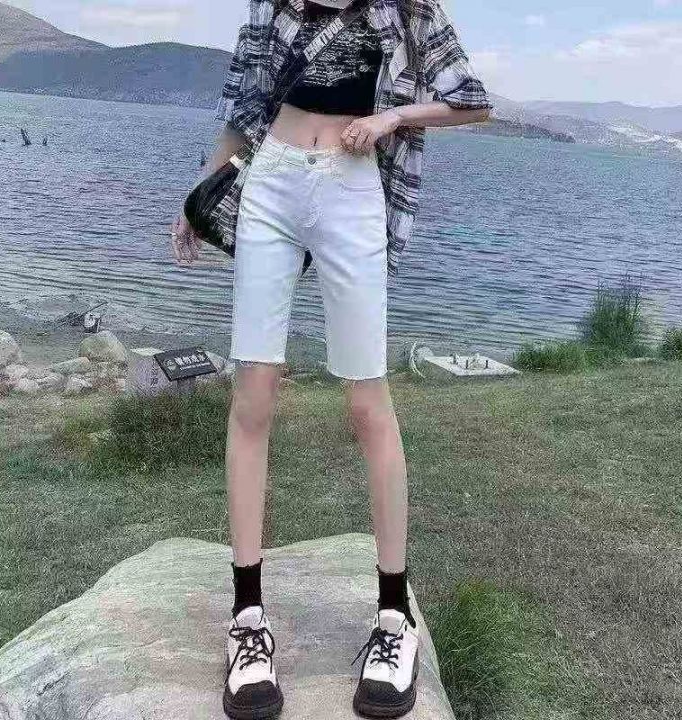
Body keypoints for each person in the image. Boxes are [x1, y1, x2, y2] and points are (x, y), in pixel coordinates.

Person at [171, 0, 491, 715]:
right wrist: (199, 194)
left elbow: (471, 102)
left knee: (367, 402)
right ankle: (247, 619)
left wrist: (391, 118)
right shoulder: (272, 3)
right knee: (253, 395)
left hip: (352, 189)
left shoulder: (406, 8)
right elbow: (241, 104)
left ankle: (393, 620)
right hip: (271, 183)